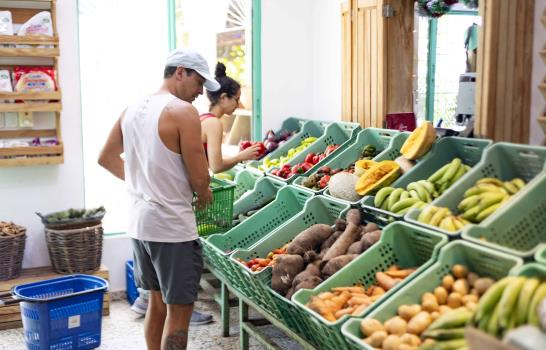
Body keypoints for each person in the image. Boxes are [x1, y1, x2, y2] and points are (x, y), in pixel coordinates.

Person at [98, 48, 218, 350]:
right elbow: (200, 177)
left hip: (141, 225)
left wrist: (145, 182)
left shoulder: (133, 107)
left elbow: (106, 157)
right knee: (179, 312)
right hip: (172, 229)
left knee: (156, 303)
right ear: (180, 72)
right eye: (198, 83)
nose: (200, 93)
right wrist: (204, 191)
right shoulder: (181, 111)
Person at [200, 62, 261, 172]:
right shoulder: (214, 123)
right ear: (223, 97)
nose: (238, 105)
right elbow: (216, 167)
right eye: (236, 99)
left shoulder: (203, 118)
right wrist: (240, 157)